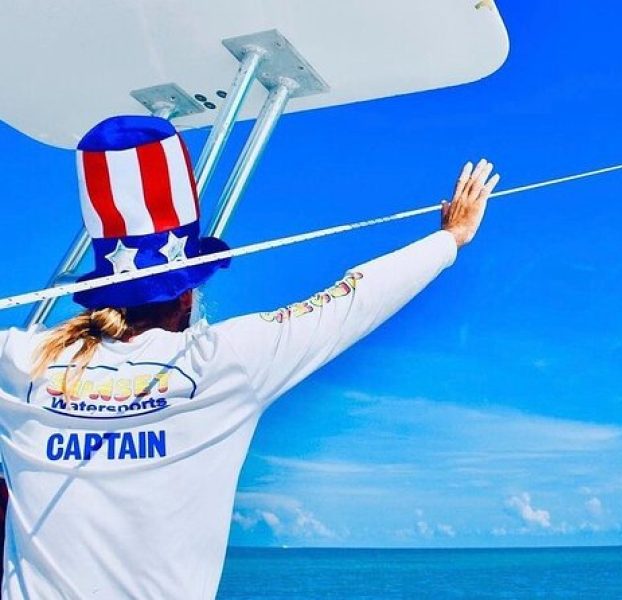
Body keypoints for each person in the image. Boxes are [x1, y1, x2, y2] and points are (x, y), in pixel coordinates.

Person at [0, 115, 499, 598]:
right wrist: (449, 238)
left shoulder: (20, 357)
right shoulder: (224, 360)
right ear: (188, 293)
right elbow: (352, 299)